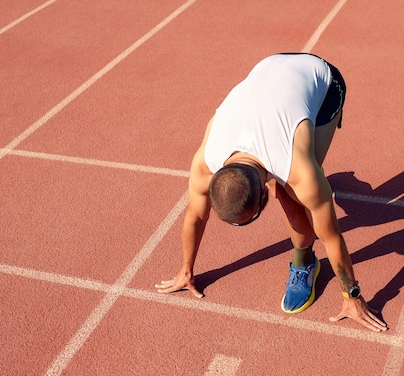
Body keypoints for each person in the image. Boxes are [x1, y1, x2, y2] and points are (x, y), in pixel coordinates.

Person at [155, 53, 388, 332]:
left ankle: (305, 262)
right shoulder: (206, 161)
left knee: (291, 195)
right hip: (270, 66)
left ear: (264, 194)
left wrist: (352, 297)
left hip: (323, 82)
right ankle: (318, 193)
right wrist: (186, 270)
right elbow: (195, 216)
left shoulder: (294, 168)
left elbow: (332, 236)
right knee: (294, 186)